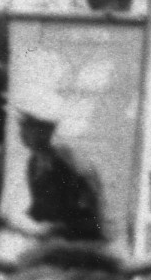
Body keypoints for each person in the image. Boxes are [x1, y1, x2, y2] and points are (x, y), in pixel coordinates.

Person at [15, 100, 109, 244]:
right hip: (54, 241)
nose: (23, 133)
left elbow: (90, 212)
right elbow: (40, 212)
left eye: (30, 126)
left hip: (82, 243)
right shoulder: (34, 162)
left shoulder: (68, 162)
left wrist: (54, 230)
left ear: (46, 130)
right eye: (22, 126)